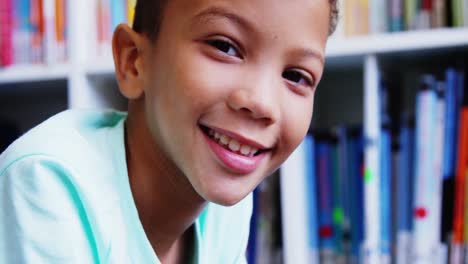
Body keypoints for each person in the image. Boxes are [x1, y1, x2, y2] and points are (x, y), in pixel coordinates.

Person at [0, 0, 338, 263]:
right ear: (134, 62)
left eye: (296, 76)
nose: (263, 103)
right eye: (225, 47)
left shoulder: (227, 207)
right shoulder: (47, 180)